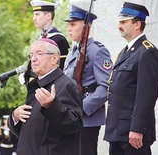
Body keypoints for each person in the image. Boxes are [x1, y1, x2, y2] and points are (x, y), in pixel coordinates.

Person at [8, 38, 83, 155]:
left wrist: (52, 105)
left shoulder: (66, 85)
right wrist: (15, 116)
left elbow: (74, 125)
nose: (33, 59)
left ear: (54, 58)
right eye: (31, 55)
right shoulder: (35, 85)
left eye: (39, 54)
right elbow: (29, 131)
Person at [104, 2, 158, 155]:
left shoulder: (147, 52)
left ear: (137, 24)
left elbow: (147, 94)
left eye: (123, 22)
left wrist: (137, 128)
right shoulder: (124, 52)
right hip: (117, 132)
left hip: (132, 134)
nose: (119, 26)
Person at [63, 4, 112, 155]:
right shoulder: (72, 53)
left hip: (87, 120)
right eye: (68, 25)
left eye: (73, 24)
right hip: (69, 118)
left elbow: (105, 88)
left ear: (86, 26)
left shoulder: (97, 51)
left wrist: (80, 108)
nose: (68, 29)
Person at [30, 0, 69, 70]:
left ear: (48, 16)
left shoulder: (59, 39)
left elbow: (62, 67)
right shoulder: (40, 39)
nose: (33, 19)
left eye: (37, 14)